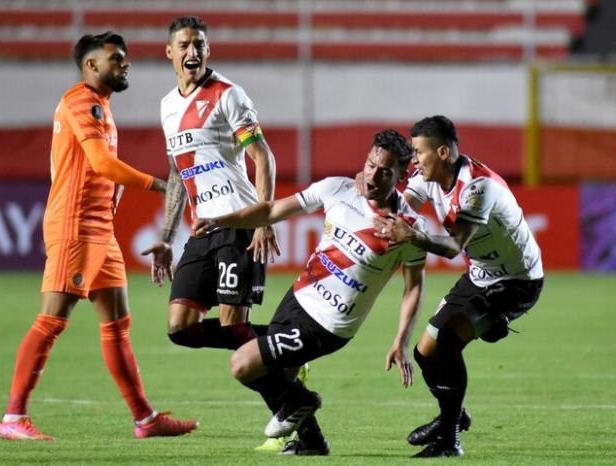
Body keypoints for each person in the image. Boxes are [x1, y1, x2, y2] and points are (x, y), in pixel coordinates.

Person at [0, 32, 198, 441]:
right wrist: (160, 186)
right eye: (116, 59)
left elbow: (98, 169)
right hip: (74, 226)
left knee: (118, 325)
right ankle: (13, 418)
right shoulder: (79, 101)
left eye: (125, 59)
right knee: (52, 320)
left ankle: (145, 418)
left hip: (98, 229)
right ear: (91, 66)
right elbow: (103, 163)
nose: (126, 65)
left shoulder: (101, 106)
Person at [193, 130, 427, 455]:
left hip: (329, 325)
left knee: (244, 364)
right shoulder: (338, 188)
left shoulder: (407, 228)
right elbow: (273, 210)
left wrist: (401, 340)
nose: (373, 174)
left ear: (401, 175)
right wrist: (222, 220)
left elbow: (413, 286)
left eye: (385, 171)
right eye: (370, 164)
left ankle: (304, 401)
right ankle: (312, 443)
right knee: (279, 375)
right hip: (297, 299)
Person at [376, 115, 544, 457]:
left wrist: (413, 236)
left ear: (442, 152)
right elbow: (400, 207)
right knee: (426, 352)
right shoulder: (428, 179)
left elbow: (453, 246)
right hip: (480, 275)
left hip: (517, 281)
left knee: (448, 340)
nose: (413, 160)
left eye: (418, 152)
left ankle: (449, 440)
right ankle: (453, 414)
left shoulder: (479, 187)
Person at [142, 17, 278, 370]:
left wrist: (264, 220)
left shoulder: (227, 94)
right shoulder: (167, 106)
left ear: (208, 50)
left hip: (239, 224)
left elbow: (263, 157)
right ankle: (282, 343)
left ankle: (294, 404)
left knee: (234, 325)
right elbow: (177, 173)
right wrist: (168, 237)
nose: (193, 51)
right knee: (180, 327)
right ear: (169, 52)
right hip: (202, 230)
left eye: (199, 45)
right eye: (185, 45)